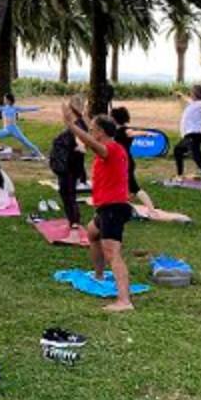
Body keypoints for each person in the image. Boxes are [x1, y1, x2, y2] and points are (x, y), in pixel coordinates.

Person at [62, 103, 135, 312]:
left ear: (101, 132)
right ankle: (99, 275)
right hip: (107, 207)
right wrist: (81, 116)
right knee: (92, 233)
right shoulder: (114, 146)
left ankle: (124, 301)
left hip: (114, 208)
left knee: (112, 253)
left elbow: (92, 143)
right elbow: (93, 136)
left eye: (93, 129)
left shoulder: (109, 149)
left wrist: (71, 126)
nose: (90, 131)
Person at [47, 96, 88, 234]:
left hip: (69, 167)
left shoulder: (77, 126)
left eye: (67, 111)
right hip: (70, 165)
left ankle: (74, 222)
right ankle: (73, 220)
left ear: (72, 110)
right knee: (68, 193)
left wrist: (81, 147)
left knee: (68, 193)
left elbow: (80, 141)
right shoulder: (79, 123)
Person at [110, 106, 155, 211]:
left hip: (125, 163)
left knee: (134, 187)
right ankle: (122, 203)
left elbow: (133, 133)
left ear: (115, 118)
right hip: (119, 162)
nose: (110, 118)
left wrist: (147, 134)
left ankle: (152, 209)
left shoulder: (125, 130)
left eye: (111, 116)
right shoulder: (115, 130)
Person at [173, 84, 201, 183]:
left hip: (193, 136)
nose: (190, 93)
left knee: (198, 160)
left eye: (191, 92)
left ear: (194, 94)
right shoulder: (193, 103)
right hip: (190, 136)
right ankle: (179, 175)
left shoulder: (200, 104)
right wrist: (180, 94)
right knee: (178, 151)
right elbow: (186, 99)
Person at [0, 93, 44, 158]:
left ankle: (39, 154)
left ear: (8, 100)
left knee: (26, 142)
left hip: (15, 130)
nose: (4, 100)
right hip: (6, 131)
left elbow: (27, 109)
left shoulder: (15, 108)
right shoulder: (4, 108)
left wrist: (38, 108)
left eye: (5, 99)